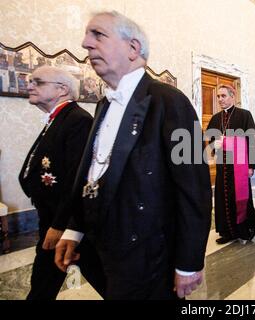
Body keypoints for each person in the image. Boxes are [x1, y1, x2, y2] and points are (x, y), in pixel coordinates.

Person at [55, 11, 212, 300]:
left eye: (98, 35)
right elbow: (94, 172)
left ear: (133, 48)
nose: (85, 44)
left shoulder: (172, 101)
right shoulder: (103, 104)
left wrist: (189, 262)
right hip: (103, 249)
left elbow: (196, 188)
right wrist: (74, 229)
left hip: (148, 257)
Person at [18, 66, 105, 299]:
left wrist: (61, 225)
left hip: (68, 223)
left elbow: (77, 178)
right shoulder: (57, 119)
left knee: (106, 280)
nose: (30, 86)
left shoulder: (77, 120)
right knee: (44, 283)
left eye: (38, 82)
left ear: (62, 89)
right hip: (54, 219)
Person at [205, 84, 255, 245]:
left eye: (223, 96)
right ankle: (227, 231)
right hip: (223, 165)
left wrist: (251, 165)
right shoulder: (216, 118)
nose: (220, 99)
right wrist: (215, 146)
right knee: (223, 197)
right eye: (218, 96)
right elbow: (211, 141)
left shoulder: (244, 115)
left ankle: (245, 229)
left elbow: (250, 141)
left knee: (241, 197)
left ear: (232, 97)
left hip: (240, 166)